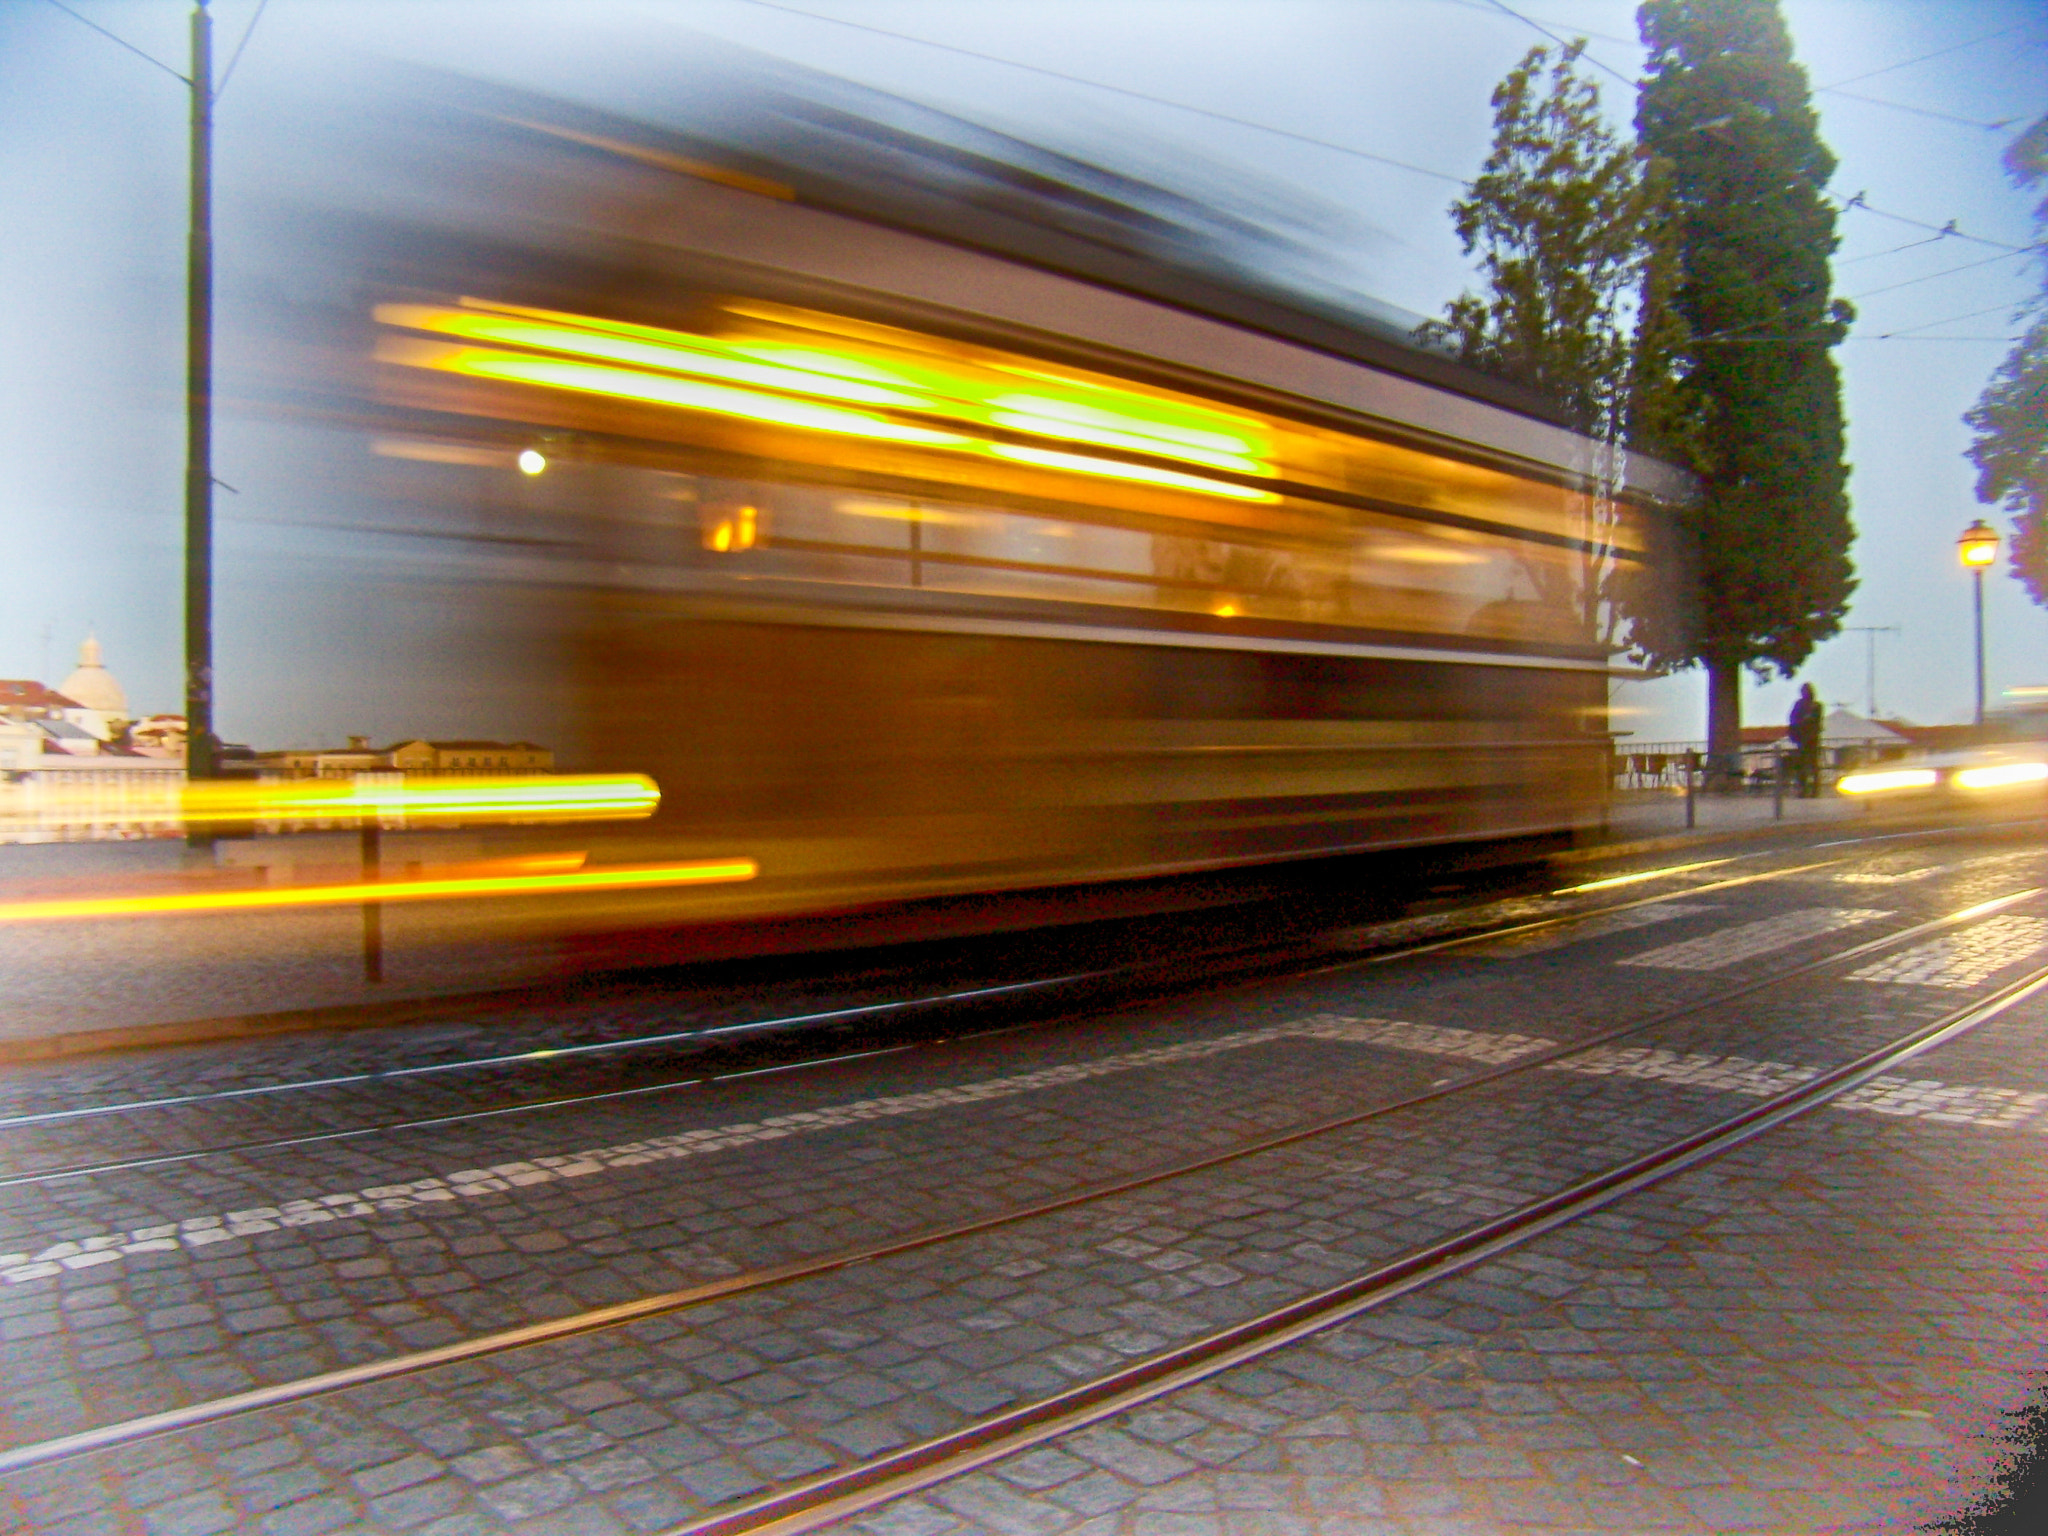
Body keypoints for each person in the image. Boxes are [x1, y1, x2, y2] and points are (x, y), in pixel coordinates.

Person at [1788, 683, 1824, 797]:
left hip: (1812, 739)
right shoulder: (1799, 704)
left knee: (1813, 766)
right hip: (1802, 739)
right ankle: (1803, 790)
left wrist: (1805, 720)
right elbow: (1793, 718)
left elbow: (1816, 720)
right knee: (1802, 766)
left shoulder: (1817, 705)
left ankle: (1814, 790)